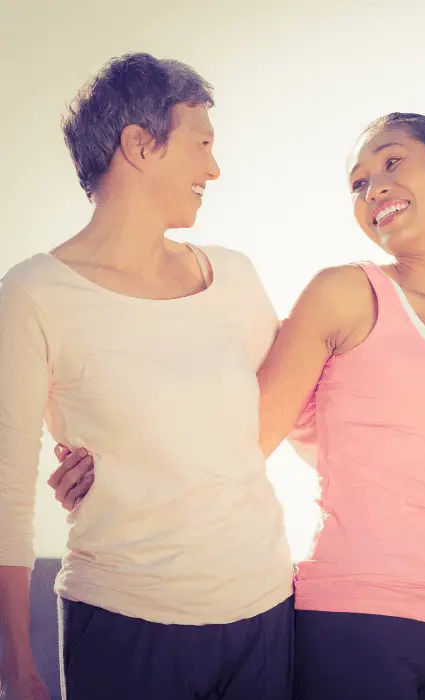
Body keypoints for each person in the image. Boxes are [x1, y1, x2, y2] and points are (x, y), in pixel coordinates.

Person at [46, 112, 425, 699]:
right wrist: (116, 468)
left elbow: (417, 488)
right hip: (353, 615)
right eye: (358, 181)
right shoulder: (345, 293)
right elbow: (242, 442)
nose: (373, 187)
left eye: (391, 163)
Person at [0, 53, 294, 700]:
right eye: (202, 143)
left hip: (265, 613)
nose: (214, 168)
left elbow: (303, 422)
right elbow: (7, 495)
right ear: (139, 144)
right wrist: (17, 667)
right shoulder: (33, 295)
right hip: (125, 621)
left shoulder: (234, 275)